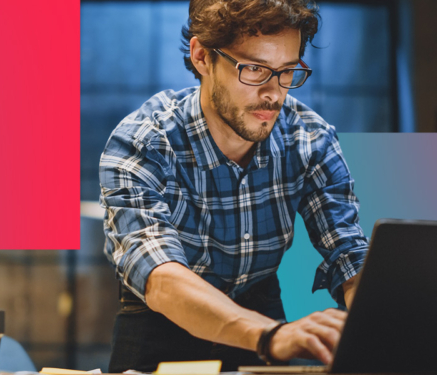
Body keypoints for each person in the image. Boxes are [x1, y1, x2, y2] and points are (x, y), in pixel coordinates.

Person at [99, 0, 368, 372]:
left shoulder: (310, 140)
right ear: (201, 57)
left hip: (258, 306)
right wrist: (271, 336)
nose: (274, 93)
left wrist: (381, 329)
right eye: (254, 69)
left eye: (287, 71)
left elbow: (349, 255)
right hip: (163, 316)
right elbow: (159, 275)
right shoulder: (144, 142)